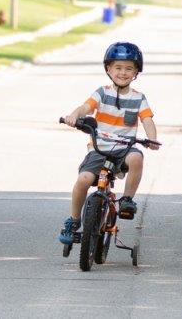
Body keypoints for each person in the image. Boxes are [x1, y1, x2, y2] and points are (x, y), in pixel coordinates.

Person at [58, 41, 159, 245]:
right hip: (99, 148)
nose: (123, 73)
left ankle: (128, 200)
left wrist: (153, 139)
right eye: (118, 68)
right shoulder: (102, 92)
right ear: (108, 69)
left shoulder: (139, 98)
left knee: (137, 158)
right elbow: (85, 108)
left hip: (124, 149)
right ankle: (74, 220)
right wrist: (73, 115)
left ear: (136, 72)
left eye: (129, 68)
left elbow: (147, 120)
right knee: (83, 180)